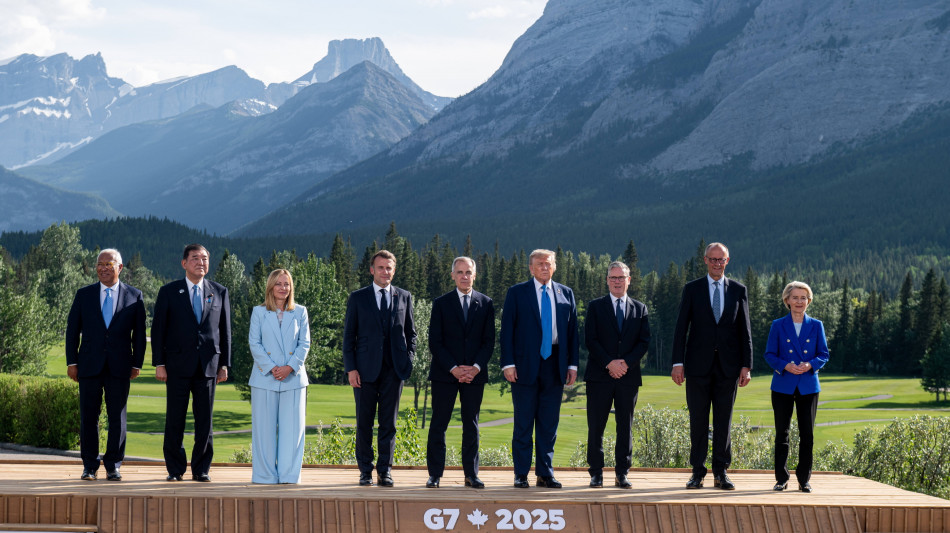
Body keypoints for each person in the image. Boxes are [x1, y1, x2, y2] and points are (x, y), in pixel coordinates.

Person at [671, 242, 752, 490]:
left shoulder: (738, 290)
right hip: (697, 367)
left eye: (721, 259)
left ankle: (721, 472)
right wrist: (677, 362)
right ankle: (697, 472)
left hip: (728, 368)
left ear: (728, 261)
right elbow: (681, 328)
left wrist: (746, 365)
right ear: (705, 260)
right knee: (698, 420)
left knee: (723, 422)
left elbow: (745, 330)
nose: (717, 263)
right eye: (713, 259)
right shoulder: (692, 289)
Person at [65, 248, 146, 481]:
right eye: (99, 264)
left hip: (120, 366)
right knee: (88, 417)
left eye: (108, 264)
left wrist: (137, 364)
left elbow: (139, 335)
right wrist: (72, 362)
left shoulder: (135, 295)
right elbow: (72, 331)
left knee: (117, 418)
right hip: (88, 365)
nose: (102, 268)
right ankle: (89, 466)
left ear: (119, 267)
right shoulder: (84, 295)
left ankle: (113, 465)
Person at [152, 243, 231, 482]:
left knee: (205, 421)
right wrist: (159, 363)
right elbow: (158, 331)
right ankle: (175, 470)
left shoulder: (219, 291)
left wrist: (224, 364)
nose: (201, 262)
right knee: (175, 419)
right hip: (176, 366)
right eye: (195, 258)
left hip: (208, 366)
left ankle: (201, 469)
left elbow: (225, 331)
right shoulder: (168, 292)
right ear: (184, 263)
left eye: (205, 258)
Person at [500, 249, 579, 489]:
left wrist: (572, 364)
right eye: (540, 264)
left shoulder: (565, 293)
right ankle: (521, 473)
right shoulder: (517, 293)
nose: (545, 267)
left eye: (548, 264)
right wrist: (508, 363)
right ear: (531, 268)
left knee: (548, 424)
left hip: (555, 364)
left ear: (554, 267)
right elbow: (506, 331)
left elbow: (573, 332)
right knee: (523, 422)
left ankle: (545, 473)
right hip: (524, 365)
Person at [343, 250, 417, 487]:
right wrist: (351, 369)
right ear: (372, 270)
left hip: (394, 371)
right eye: (381, 267)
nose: (385, 272)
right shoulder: (358, 298)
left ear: (394, 271)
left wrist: (409, 359)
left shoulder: (404, 297)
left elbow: (411, 334)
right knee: (364, 422)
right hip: (364, 372)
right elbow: (348, 338)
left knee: (389, 424)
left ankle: (385, 471)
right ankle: (365, 470)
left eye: (389, 268)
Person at [425, 256, 496, 489]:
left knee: (471, 425)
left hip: (474, 375)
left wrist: (474, 368)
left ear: (475, 275)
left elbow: (489, 342)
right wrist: (454, 368)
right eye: (460, 272)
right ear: (453, 275)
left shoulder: (486, 303)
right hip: (445, 374)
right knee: (439, 424)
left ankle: (471, 474)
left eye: (468, 272)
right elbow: (435, 342)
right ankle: (435, 474)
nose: (464, 276)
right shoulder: (441, 303)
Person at [584, 261, 651, 489]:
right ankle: (596, 473)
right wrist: (609, 363)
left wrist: (625, 364)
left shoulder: (640, 308)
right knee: (596, 427)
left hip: (628, 377)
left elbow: (644, 342)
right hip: (599, 377)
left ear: (628, 280)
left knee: (625, 427)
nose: (617, 281)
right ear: (607, 280)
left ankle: (622, 473)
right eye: (613, 277)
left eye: (621, 277)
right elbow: (590, 340)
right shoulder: (595, 307)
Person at [764, 281, 829, 493]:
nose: (799, 302)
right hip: (783, 384)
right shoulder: (777, 325)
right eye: (795, 297)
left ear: (809, 301)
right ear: (787, 300)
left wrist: (810, 364)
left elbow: (824, 354)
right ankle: (781, 479)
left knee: (807, 435)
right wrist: (786, 366)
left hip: (808, 385)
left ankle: (804, 480)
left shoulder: (816, 325)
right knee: (781, 434)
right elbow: (769, 355)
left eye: (803, 298)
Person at [248, 269, 311, 484]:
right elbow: (254, 343)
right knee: (263, 431)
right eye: (278, 284)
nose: (283, 288)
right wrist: (273, 367)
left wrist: (289, 368)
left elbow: (305, 344)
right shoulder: (258, 312)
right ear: (270, 287)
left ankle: (289, 475)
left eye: (287, 284)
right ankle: (264, 475)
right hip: (264, 378)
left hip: (293, 378)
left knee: (293, 431)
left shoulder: (300, 312)